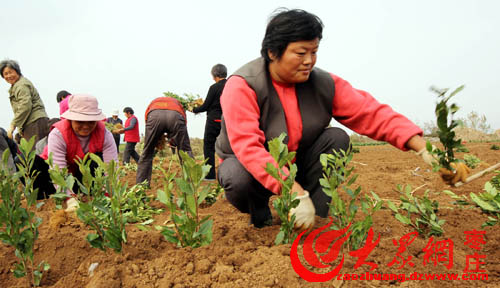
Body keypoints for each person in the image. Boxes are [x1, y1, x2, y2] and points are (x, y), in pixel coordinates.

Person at [215, 9, 470, 229]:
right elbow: (249, 147)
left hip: (298, 161)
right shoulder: (242, 86)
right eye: (301, 53)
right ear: (272, 52)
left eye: (314, 52)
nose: (309, 61)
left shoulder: (322, 83)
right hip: (251, 167)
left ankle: (316, 217)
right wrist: (294, 192)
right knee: (237, 175)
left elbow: (371, 113)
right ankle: (262, 218)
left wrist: (428, 152)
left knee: (336, 139)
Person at [34, 94, 118, 210]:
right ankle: (46, 197)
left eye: (91, 121)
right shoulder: (58, 134)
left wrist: (109, 195)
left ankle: (87, 192)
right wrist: (70, 199)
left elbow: (111, 167)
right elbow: (58, 169)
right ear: (71, 119)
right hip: (55, 177)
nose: (86, 126)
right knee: (30, 162)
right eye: (80, 121)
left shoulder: (105, 134)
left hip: (80, 176)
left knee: (96, 159)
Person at [136, 96, 193, 185]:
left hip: (154, 115)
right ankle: (192, 183)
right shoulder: (177, 103)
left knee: (147, 152)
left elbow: (148, 121)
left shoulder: (154, 102)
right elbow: (183, 123)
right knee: (185, 151)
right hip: (175, 115)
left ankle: (141, 185)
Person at [191, 64, 227, 180]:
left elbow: (206, 106)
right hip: (227, 121)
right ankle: (227, 174)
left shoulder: (214, 88)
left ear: (214, 75)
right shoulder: (230, 86)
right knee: (227, 147)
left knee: (208, 147)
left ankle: (210, 175)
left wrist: (193, 109)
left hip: (213, 121)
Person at [1, 59, 49, 143]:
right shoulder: (16, 86)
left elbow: (25, 106)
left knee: (35, 154)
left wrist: (13, 124)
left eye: (11, 72)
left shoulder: (21, 85)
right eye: (5, 74)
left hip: (34, 122)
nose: (9, 76)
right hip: (31, 122)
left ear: (17, 71)